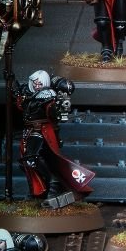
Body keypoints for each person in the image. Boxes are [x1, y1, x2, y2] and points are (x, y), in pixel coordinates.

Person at [12, 69, 95, 208]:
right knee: (27, 162)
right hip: (30, 132)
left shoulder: (48, 96)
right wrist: (12, 83)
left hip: (41, 132)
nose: (37, 86)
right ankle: (39, 191)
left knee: (32, 159)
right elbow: (21, 104)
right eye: (35, 83)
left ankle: (53, 183)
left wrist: (58, 107)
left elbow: (52, 110)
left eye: (40, 83)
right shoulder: (29, 94)